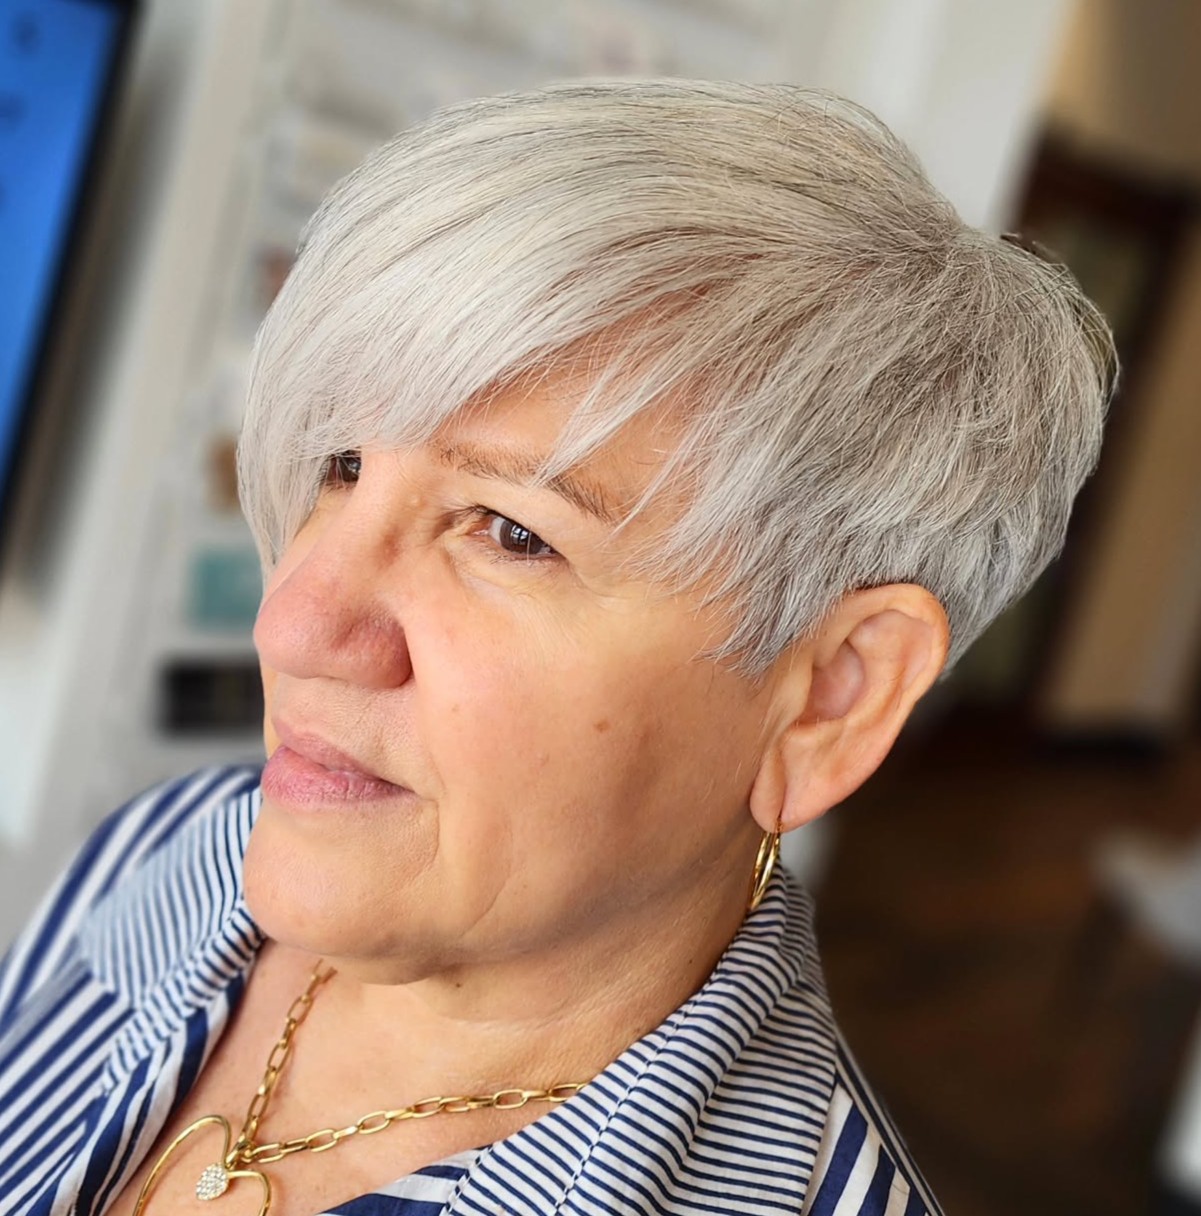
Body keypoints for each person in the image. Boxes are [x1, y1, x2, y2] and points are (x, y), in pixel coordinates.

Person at [0, 79, 1112, 1216]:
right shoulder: (173, 848)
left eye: (511, 532)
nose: (292, 623)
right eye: (342, 465)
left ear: (830, 696)